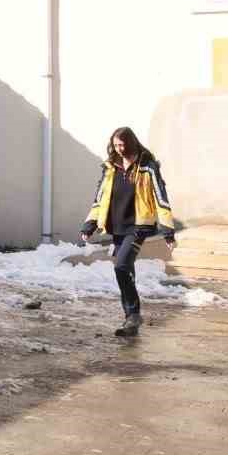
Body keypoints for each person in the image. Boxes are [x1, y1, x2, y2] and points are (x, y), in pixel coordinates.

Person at [79, 126, 177, 338]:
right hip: (117, 226)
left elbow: (160, 197)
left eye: (122, 144)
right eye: (115, 145)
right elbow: (100, 198)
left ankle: (133, 314)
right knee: (125, 268)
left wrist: (167, 230)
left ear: (131, 143)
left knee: (121, 266)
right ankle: (130, 319)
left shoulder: (147, 166)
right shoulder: (110, 167)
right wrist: (91, 224)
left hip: (138, 227)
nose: (119, 149)